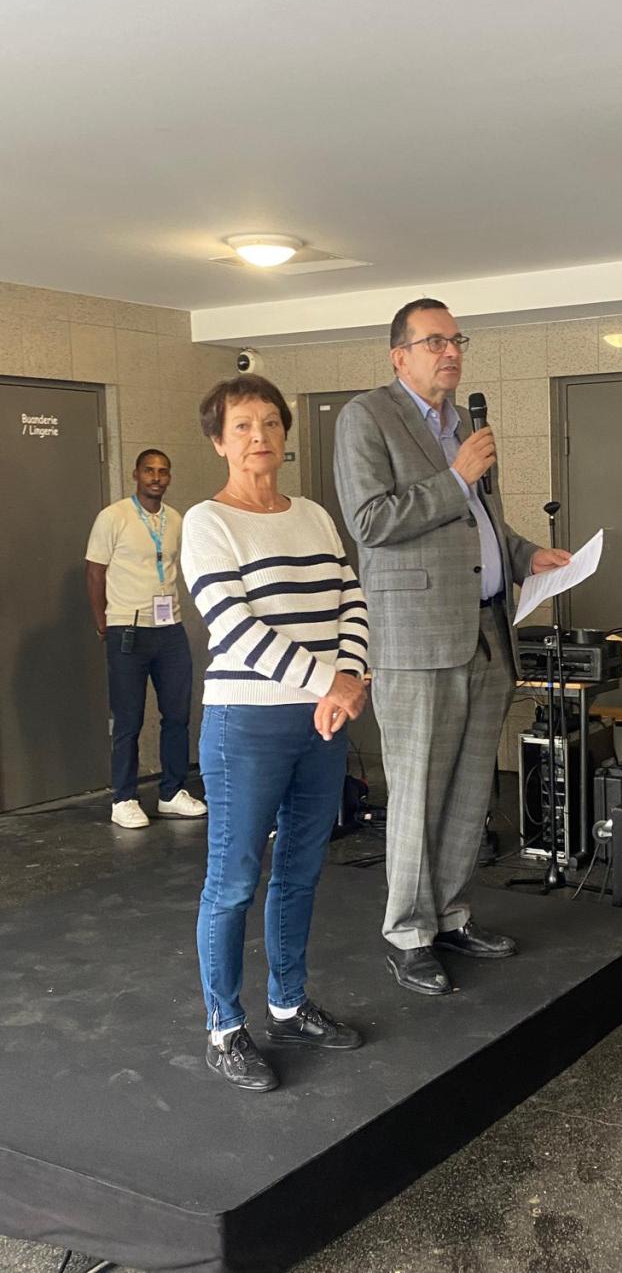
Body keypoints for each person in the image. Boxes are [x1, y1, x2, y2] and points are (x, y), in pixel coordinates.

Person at [334, 298, 571, 997]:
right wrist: (457, 476)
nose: (451, 352)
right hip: (416, 640)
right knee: (418, 792)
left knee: (470, 791)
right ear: (399, 355)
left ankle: (450, 915)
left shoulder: (461, 422)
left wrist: (526, 556)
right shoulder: (367, 417)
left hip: (487, 631)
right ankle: (408, 934)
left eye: (456, 339)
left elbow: (480, 523)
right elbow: (370, 521)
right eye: (435, 341)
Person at [182, 375, 370, 1093]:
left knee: (300, 870)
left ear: (285, 434)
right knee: (233, 881)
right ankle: (224, 1027)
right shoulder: (208, 522)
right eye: (241, 426)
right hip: (247, 723)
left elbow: (352, 600)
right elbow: (234, 627)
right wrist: (332, 683)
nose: (258, 436)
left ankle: (289, 1005)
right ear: (219, 441)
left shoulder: (314, 516)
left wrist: (349, 677)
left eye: (269, 422)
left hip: (320, 722)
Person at [85, 449, 207, 829]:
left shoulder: (176, 519)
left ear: (169, 477)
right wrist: (103, 623)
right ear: (135, 474)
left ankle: (172, 792)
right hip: (128, 628)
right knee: (128, 719)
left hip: (169, 630)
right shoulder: (114, 516)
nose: (156, 477)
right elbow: (94, 571)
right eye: (149, 471)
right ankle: (123, 798)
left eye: (163, 471)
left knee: (177, 714)